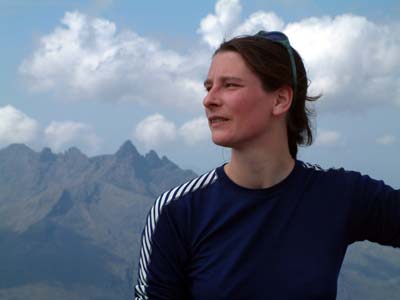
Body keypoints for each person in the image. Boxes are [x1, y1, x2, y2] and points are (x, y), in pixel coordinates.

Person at [134, 31, 400, 299]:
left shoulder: (340, 195)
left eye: (230, 85)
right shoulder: (177, 211)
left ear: (280, 100)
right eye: (208, 86)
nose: (209, 99)